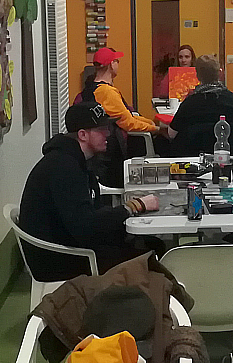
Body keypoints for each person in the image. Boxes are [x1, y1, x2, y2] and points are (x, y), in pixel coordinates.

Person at [18, 102, 159, 281]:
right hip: (60, 259)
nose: (108, 134)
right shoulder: (64, 168)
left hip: (69, 245)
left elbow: (89, 216)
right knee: (151, 255)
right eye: (101, 129)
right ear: (83, 135)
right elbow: (85, 226)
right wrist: (133, 206)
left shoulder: (75, 160)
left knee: (151, 244)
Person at [81, 46, 167, 180]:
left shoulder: (92, 88)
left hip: (103, 148)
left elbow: (127, 115)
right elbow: (128, 123)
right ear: (111, 64)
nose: (118, 65)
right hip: (113, 152)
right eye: (117, 61)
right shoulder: (106, 92)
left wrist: (150, 123)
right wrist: (157, 129)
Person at [166, 54, 233, 160]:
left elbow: (171, 134)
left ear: (197, 76)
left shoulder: (189, 104)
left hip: (195, 160)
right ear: (219, 73)